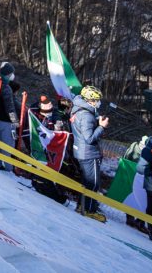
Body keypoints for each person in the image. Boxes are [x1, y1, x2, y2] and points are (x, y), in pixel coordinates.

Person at [70, 84, 109, 222]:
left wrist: (96, 121)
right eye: (96, 100)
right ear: (89, 100)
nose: (98, 103)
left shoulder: (79, 109)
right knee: (93, 183)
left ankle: (82, 205)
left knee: (86, 181)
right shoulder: (86, 115)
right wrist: (101, 127)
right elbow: (89, 138)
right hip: (88, 153)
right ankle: (89, 209)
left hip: (81, 151)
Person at [0, 62, 20, 168]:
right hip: (7, 123)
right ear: (8, 74)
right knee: (8, 146)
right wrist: (15, 121)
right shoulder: (7, 88)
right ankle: (8, 168)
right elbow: (10, 107)